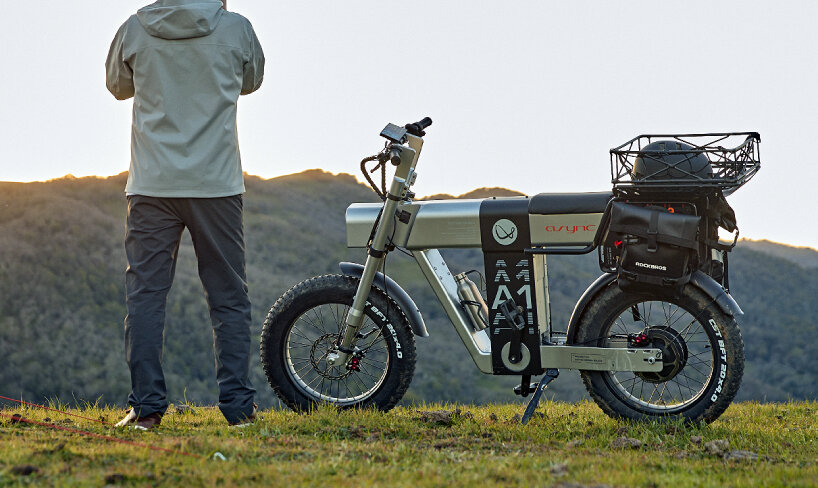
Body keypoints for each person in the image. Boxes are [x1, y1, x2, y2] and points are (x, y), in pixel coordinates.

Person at [105, 0, 264, 429]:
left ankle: (146, 409)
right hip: (217, 184)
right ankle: (238, 411)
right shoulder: (236, 28)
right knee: (229, 298)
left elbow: (118, 87)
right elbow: (250, 82)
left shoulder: (134, 29)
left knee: (146, 297)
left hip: (152, 184)